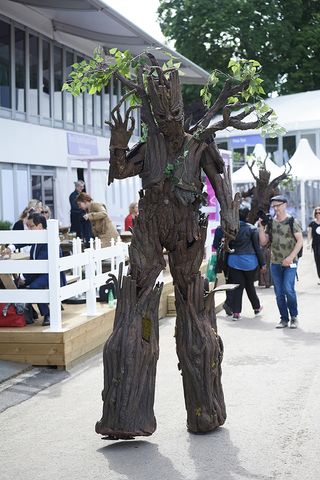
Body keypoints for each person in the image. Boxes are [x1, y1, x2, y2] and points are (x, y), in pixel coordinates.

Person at [258, 195, 303, 329]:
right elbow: (264, 242)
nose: (275, 208)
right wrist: (260, 227)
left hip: (291, 262)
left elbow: (300, 241)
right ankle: (284, 319)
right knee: (279, 293)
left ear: (284, 205)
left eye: (278, 205)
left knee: (288, 289)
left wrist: (290, 258)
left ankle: (294, 317)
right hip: (275, 263)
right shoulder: (271, 223)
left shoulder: (292, 221)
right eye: (274, 206)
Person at [18, 212, 66, 326]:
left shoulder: (49, 238)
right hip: (39, 272)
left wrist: (23, 276)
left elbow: (40, 263)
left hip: (50, 273)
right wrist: (11, 247)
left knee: (35, 286)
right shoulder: (36, 236)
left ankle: (47, 314)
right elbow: (21, 242)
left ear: (39, 226)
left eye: (31, 226)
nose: (29, 229)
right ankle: (30, 313)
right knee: (18, 284)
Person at [226, 207, 266, 320]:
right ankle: (257, 308)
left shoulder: (231, 229)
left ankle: (236, 313)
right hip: (249, 262)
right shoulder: (252, 229)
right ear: (247, 216)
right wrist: (263, 263)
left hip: (233, 261)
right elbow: (257, 248)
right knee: (249, 285)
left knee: (238, 286)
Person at [307, 206, 320, 283]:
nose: (318, 214)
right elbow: (309, 234)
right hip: (316, 245)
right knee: (318, 262)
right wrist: (308, 243)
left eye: (319, 212)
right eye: (316, 213)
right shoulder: (312, 223)